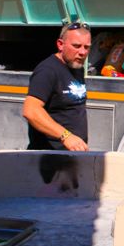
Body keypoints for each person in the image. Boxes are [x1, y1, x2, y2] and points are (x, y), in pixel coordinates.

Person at [22, 22, 92, 151]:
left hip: (72, 156)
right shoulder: (48, 71)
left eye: (86, 47)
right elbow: (30, 110)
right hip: (49, 159)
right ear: (60, 44)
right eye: (76, 46)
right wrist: (66, 136)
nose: (82, 52)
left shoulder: (76, 67)